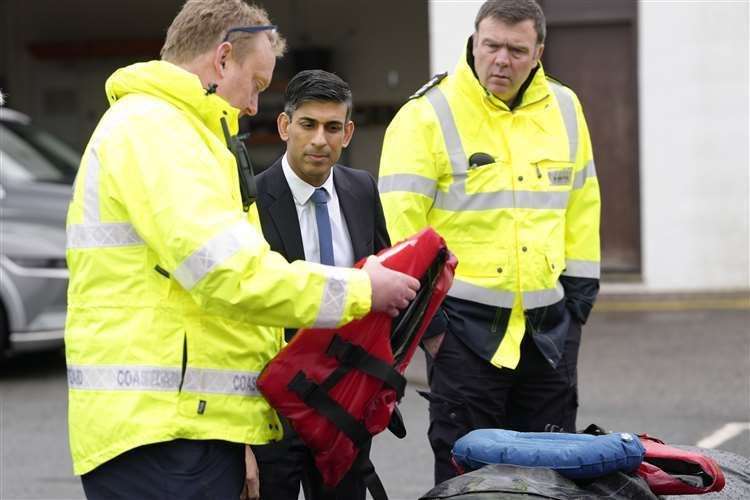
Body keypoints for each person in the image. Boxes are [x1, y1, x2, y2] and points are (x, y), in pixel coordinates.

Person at [63, 1, 419, 499]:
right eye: (255, 84)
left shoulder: (178, 132)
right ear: (223, 58)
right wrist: (362, 288)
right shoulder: (159, 131)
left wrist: (240, 440)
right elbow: (231, 273)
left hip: (183, 429)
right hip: (164, 436)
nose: (254, 105)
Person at [378, 0, 601, 485]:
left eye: (516, 50)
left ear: (539, 51)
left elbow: (583, 205)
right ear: (474, 42)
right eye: (491, 46)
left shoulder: (565, 107)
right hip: (463, 332)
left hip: (548, 335)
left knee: (552, 479)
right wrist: (432, 329)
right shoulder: (427, 114)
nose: (501, 60)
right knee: (469, 479)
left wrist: (578, 306)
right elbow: (400, 226)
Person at [248, 69, 388, 500]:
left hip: (346, 400)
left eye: (332, 128)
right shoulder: (251, 199)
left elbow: (381, 286)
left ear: (347, 133)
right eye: (308, 125)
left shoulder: (362, 188)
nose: (319, 140)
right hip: (276, 406)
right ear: (284, 126)